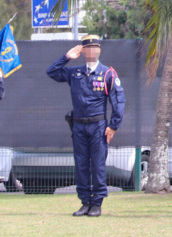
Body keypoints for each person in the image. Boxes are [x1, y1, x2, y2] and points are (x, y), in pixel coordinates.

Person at [47, 35, 125, 217]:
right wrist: (66, 57)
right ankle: (85, 202)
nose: (92, 51)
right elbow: (51, 72)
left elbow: (119, 101)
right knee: (81, 165)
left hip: (98, 126)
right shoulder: (75, 73)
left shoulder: (107, 73)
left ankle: (97, 203)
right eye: (88, 48)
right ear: (83, 52)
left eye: (95, 48)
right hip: (79, 126)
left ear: (99, 51)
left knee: (98, 165)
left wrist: (113, 126)